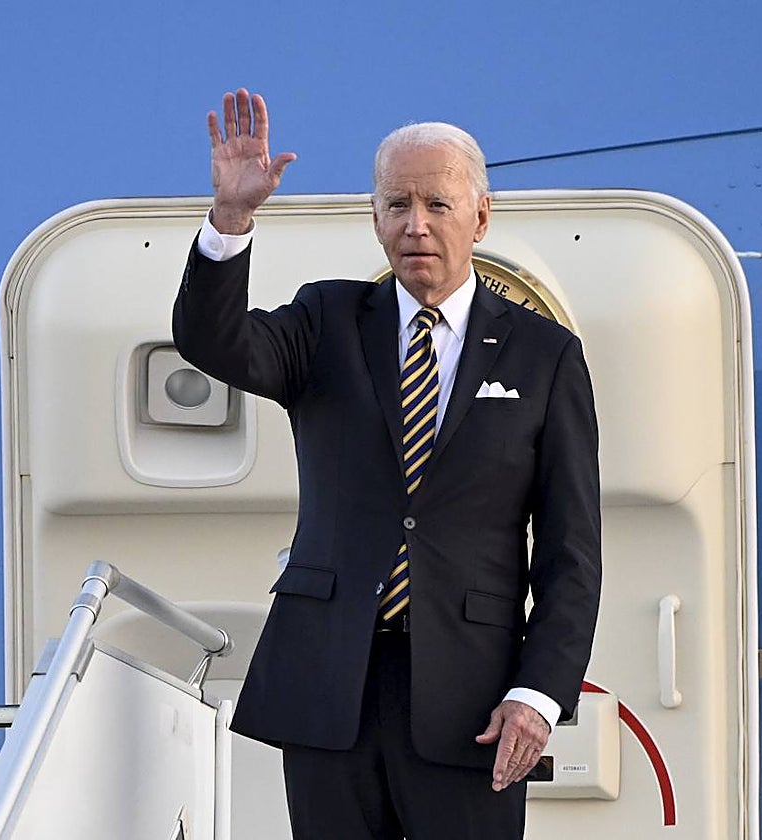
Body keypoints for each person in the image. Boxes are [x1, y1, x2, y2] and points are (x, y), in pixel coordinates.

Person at [173, 88, 600, 840]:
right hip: (330, 680)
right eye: (397, 204)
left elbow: (571, 552)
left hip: (474, 697)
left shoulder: (545, 355)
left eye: (438, 203)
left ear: (481, 215)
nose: (417, 224)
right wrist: (232, 220)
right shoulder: (326, 321)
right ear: (375, 219)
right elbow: (216, 344)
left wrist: (538, 693)